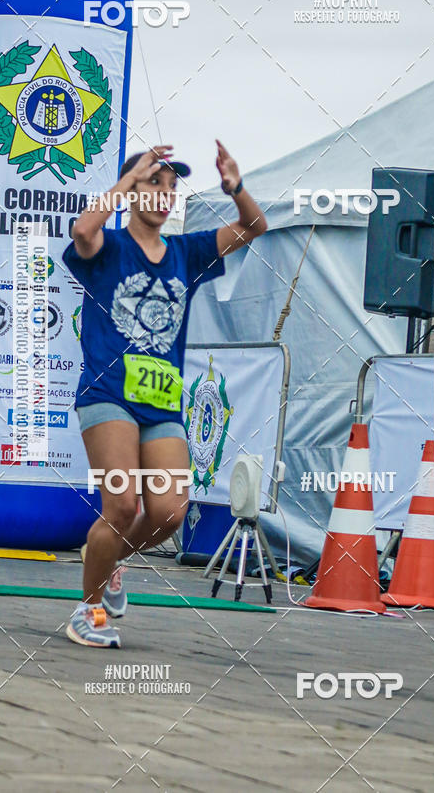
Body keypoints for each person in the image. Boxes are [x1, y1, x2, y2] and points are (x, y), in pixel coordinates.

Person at [62, 140, 267, 647]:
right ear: (133, 191)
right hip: (108, 393)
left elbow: (254, 227)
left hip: (162, 404)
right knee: (123, 507)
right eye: (155, 183)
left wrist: (235, 187)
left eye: (171, 187)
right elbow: (83, 230)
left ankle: (106, 560)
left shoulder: (187, 252)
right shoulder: (108, 248)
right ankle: (87, 614)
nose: (165, 194)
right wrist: (127, 180)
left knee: (171, 511)